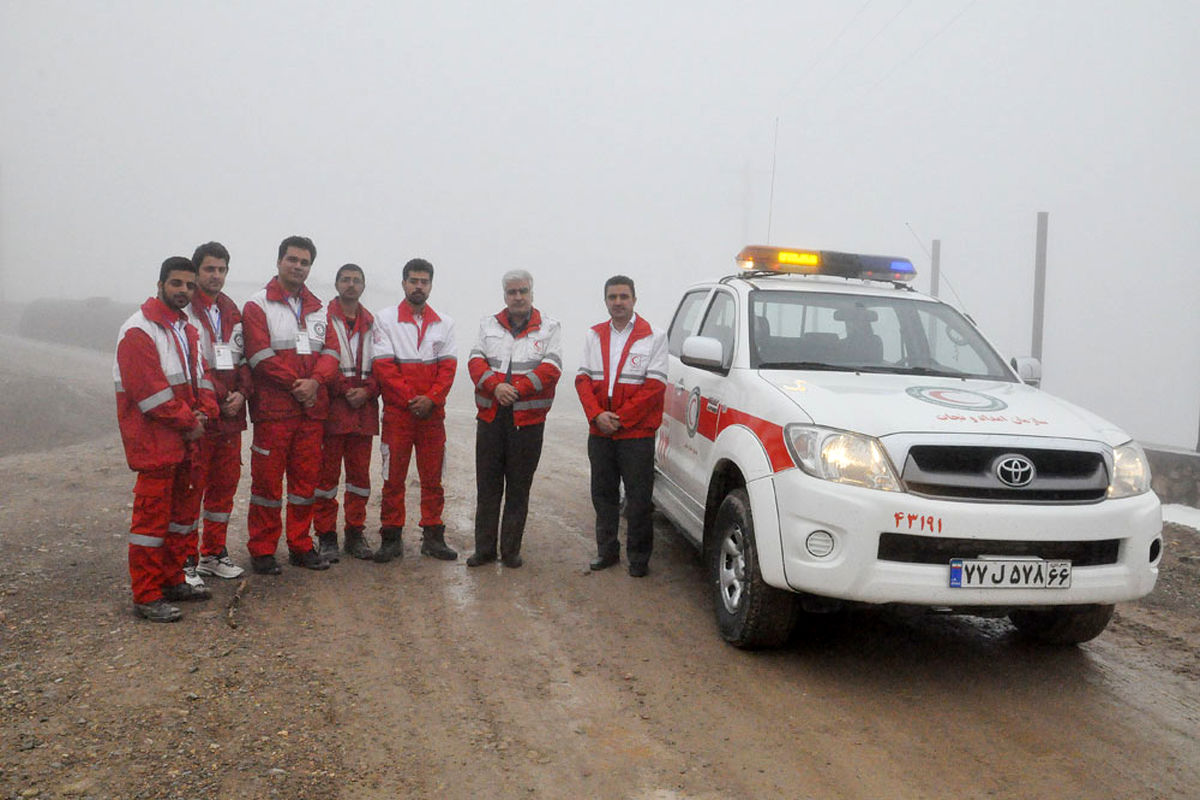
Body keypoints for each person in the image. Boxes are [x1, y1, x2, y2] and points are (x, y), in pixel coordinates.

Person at [114, 256, 219, 621]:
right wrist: (190, 420)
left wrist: (206, 411)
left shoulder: (185, 328)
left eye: (189, 286)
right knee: (151, 524)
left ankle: (172, 579)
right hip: (156, 441)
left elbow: (202, 378)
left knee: (182, 519)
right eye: (177, 284)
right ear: (160, 284)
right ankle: (146, 594)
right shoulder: (139, 330)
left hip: (186, 439)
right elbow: (150, 394)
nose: (184, 291)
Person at [241, 236, 340, 574]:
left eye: (305, 262)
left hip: (311, 411)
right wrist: (297, 385)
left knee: (304, 483)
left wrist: (315, 382)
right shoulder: (257, 305)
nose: (298, 266)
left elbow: (332, 352)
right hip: (274, 411)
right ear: (279, 261)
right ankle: (263, 549)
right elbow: (258, 354)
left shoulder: (319, 308)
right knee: (267, 485)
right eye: (292, 260)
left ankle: (301, 544)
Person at [465, 270, 562, 568]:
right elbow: (475, 360)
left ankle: (510, 551)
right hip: (492, 417)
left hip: (528, 421)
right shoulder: (488, 324)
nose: (517, 297)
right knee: (488, 485)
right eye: (511, 292)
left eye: (522, 291)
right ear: (504, 295)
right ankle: (484, 549)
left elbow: (552, 367)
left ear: (532, 293)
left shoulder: (549, 327)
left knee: (519, 487)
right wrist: (496, 387)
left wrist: (516, 390)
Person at [574, 275, 668, 577]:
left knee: (639, 499)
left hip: (636, 434)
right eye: (612, 297)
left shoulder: (653, 336)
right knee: (603, 494)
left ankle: (639, 560)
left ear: (634, 300)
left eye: (623, 297)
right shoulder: (593, 334)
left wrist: (620, 419)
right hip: (599, 430)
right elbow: (583, 380)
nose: (618, 302)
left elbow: (654, 388)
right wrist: (597, 415)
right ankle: (607, 552)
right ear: (605, 301)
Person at [371, 258, 458, 563]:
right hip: (398, 416)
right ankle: (391, 537)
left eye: (424, 281)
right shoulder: (385, 320)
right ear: (404, 283)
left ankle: (433, 536)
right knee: (393, 478)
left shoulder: (445, 324)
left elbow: (448, 369)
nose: (418, 286)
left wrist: (431, 399)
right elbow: (384, 368)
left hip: (432, 417)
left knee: (433, 478)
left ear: (431, 285)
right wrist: (412, 399)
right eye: (413, 280)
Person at [183, 241, 250, 585]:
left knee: (224, 487)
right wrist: (224, 395)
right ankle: (185, 559)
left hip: (231, 417)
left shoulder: (230, 309)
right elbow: (195, 364)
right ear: (196, 272)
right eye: (210, 269)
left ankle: (213, 552)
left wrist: (242, 392)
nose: (216, 275)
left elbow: (244, 358)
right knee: (192, 488)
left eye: (222, 269)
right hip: (201, 414)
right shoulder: (186, 310)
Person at [313, 264, 380, 562]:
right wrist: (343, 389)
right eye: (346, 279)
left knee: (358, 478)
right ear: (337, 283)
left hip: (363, 410)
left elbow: (384, 364)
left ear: (364, 286)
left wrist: (369, 391)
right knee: (325, 478)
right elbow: (317, 358)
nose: (351, 285)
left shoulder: (373, 323)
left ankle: (355, 532)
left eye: (356, 280)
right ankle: (326, 536)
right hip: (332, 409)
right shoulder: (323, 317)